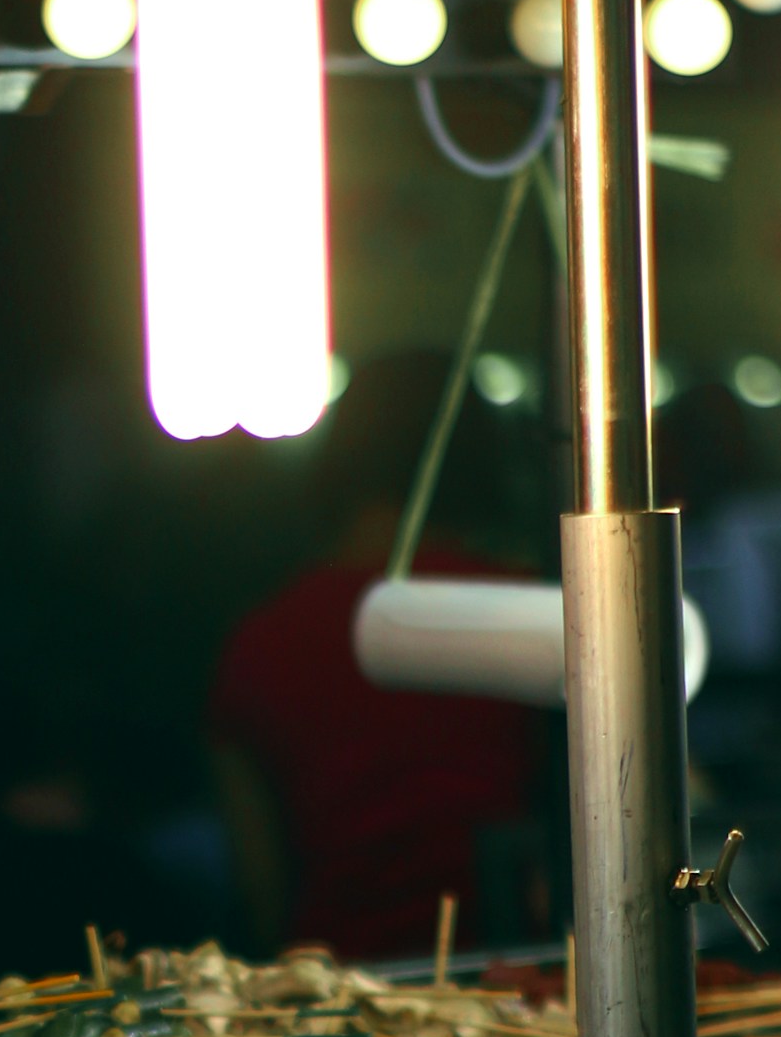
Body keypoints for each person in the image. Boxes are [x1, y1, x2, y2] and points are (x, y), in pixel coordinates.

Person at [208, 351, 547, 963]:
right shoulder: (534, 616)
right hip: (522, 980)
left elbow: (259, 884)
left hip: (333, 995)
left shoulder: (261, 639)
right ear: (484, 456)